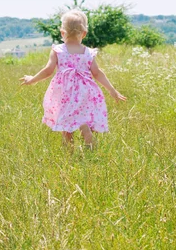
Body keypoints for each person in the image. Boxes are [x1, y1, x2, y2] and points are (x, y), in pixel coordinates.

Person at [20, 9, 126, 148]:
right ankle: (87, 138)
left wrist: (32, 79)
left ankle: (69, 155)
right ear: (84, 33)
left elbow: (48, 71)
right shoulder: (88, 52)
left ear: (62, 32)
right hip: (86, 91)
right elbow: (97, 73)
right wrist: (112, 90)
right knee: (82, 116)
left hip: (65, 93)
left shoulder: (58, 50)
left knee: (66, 124)